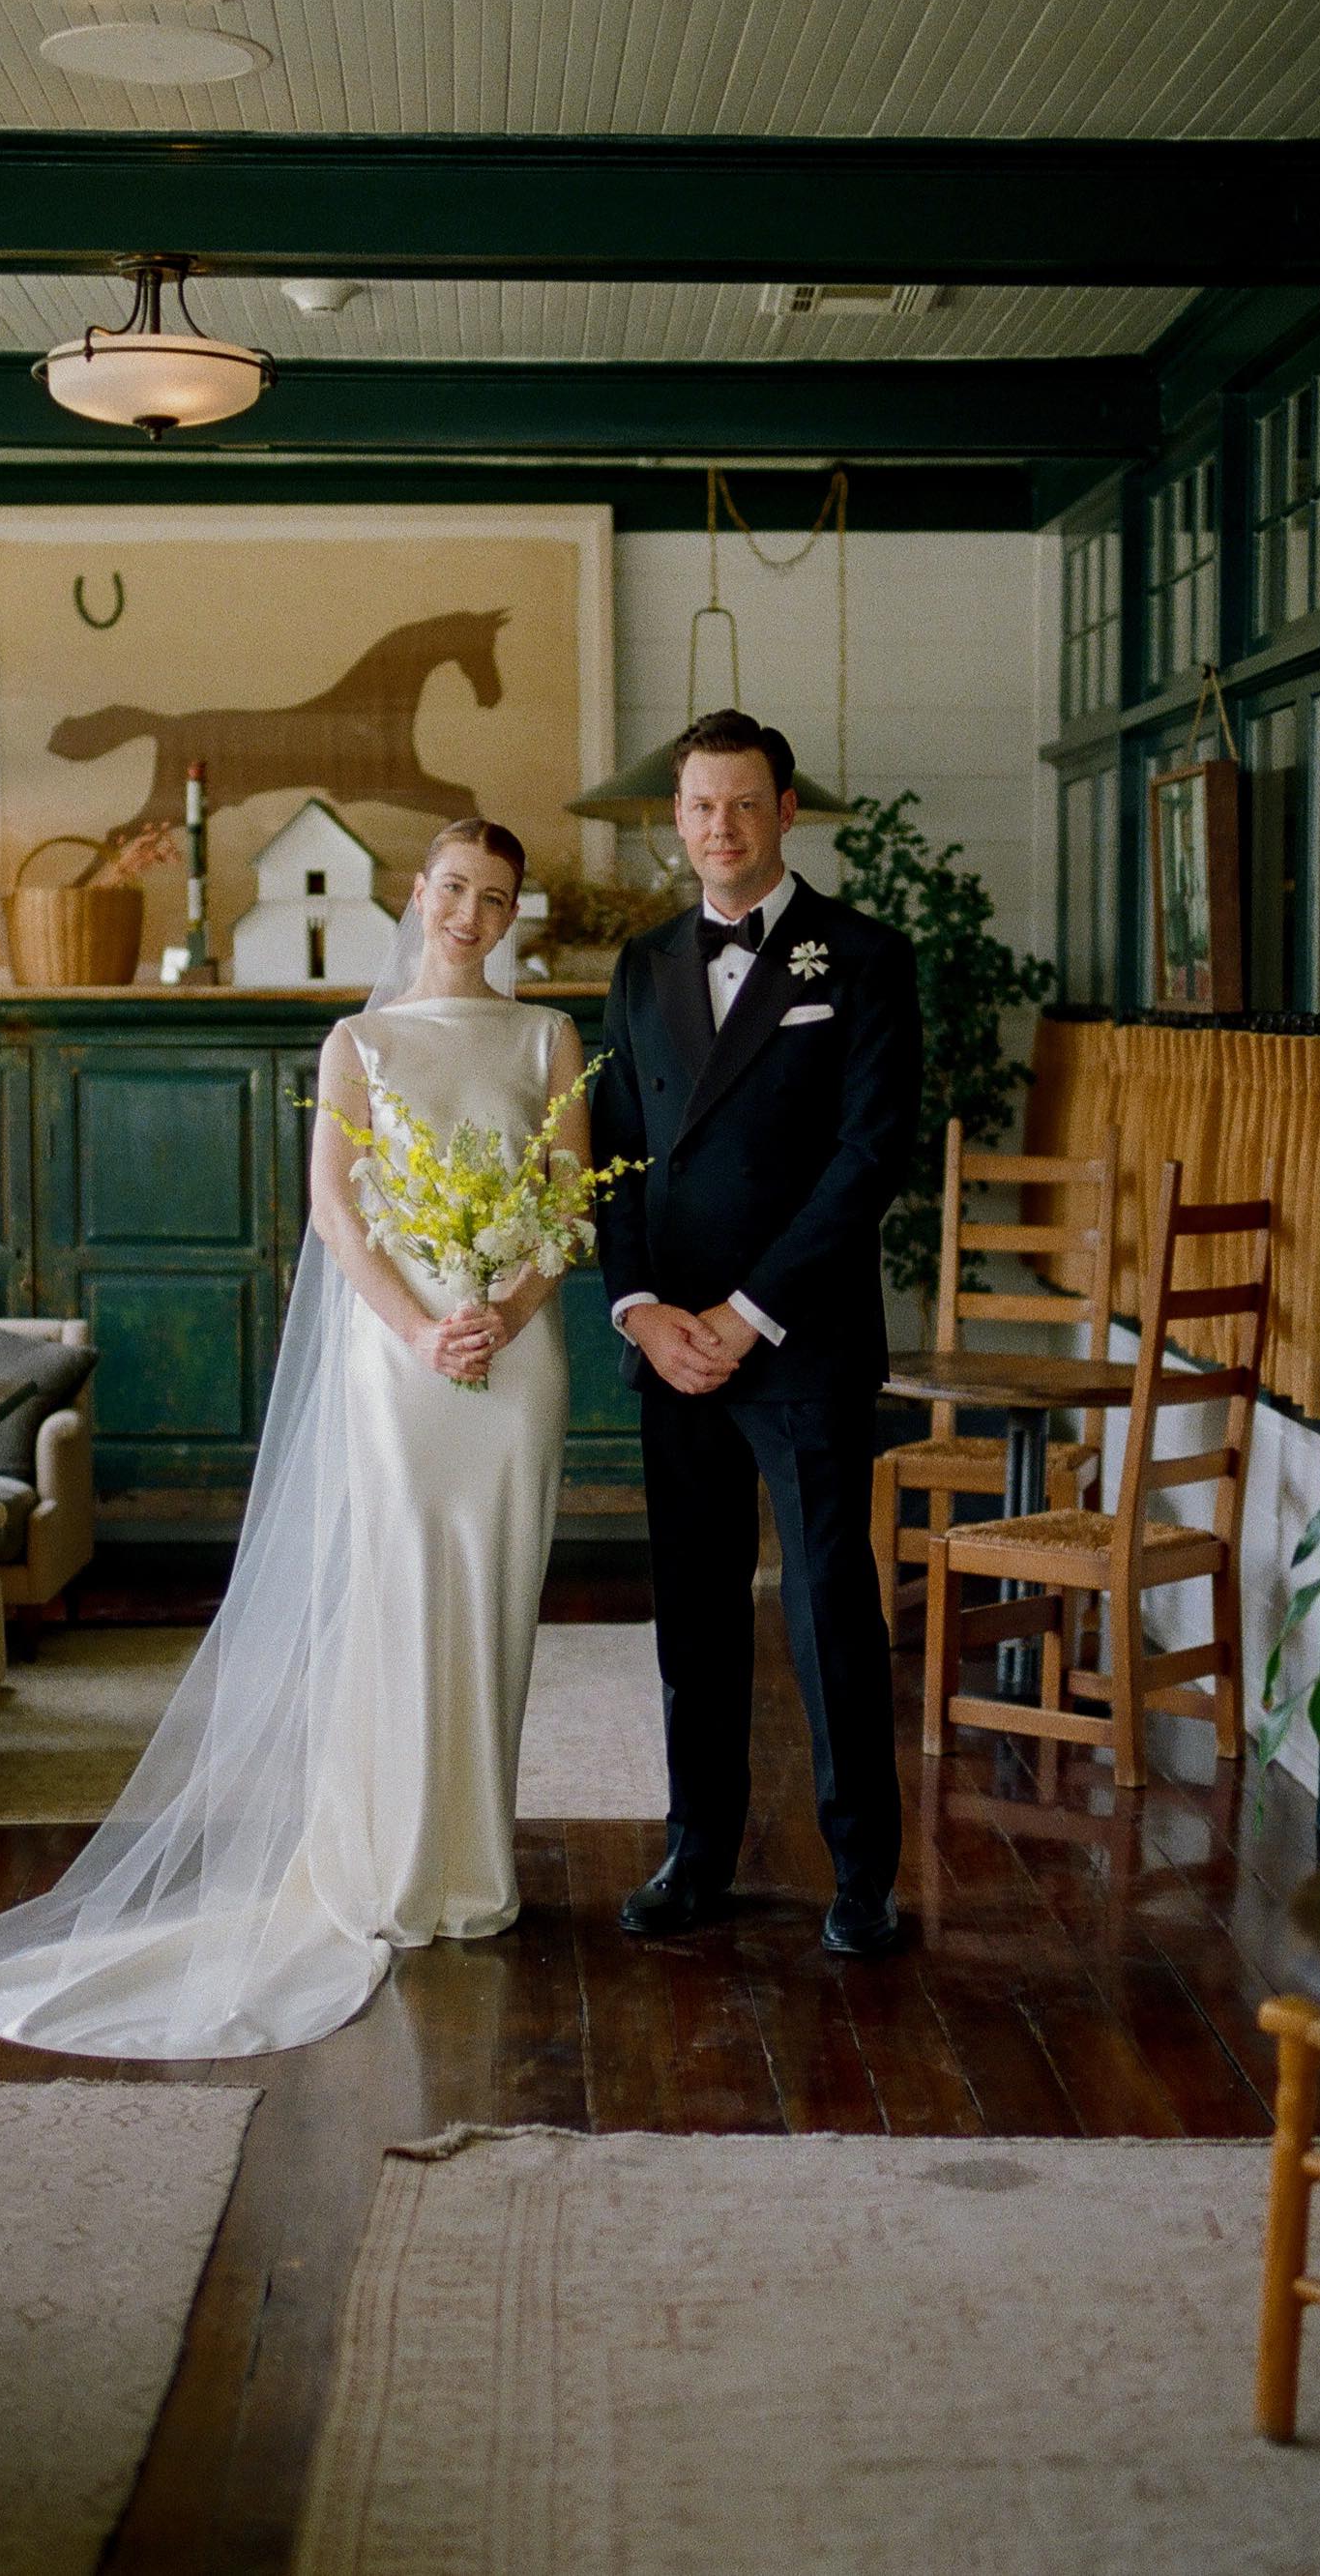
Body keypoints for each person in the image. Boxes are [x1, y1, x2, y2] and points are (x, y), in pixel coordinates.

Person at [0, 820, 590, 2058]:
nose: (469, 914)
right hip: (403, 1361)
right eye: (453, 889)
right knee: (397, 1594)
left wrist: (502, 1310)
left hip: (513, 1356)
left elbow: (566, 1205)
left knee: (495, 1601)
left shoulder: (549, 1037)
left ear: (511, 914)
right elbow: (336, 1213)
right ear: (418, 894)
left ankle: (473, 1868)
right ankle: (391, 1862)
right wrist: (420, 1331)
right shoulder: (359, 1043)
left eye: (494, 898)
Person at [591, 709, 921, 1956]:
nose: (718, 827)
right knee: (694, 1610)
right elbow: (615, 1159)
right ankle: (696, 1853)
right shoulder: (640, 966)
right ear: (674, 820)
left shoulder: (866, 956)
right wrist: (639, 1309)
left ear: (785, 811)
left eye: (742, 803)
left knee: (830, 1610)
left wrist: (748, 1312)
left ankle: (862, 1877)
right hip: (674, 1342)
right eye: (698, 806)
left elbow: (867, 1157)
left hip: (799, 1337)